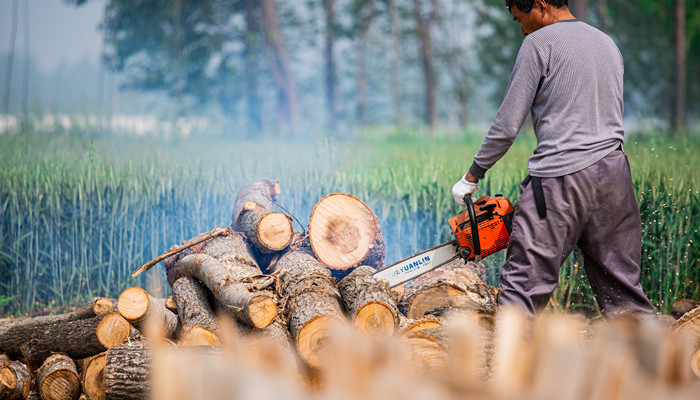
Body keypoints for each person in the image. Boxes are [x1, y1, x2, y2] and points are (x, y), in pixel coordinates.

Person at [451, 0, 656, 317]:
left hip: (560, 180)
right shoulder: (606, 43)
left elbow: (506, 127)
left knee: (522, 290)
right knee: (623, 294)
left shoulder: (537, 44)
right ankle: (660, 363)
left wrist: (472, 176)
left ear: (540, 5)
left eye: (521, 19)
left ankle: (507, 366)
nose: (521, 30)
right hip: (615, 174)